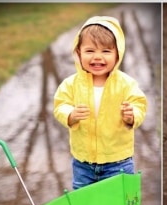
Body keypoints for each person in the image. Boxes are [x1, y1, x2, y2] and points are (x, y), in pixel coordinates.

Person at [53, 16, 147, 190]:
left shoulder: (126, 83)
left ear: (117, 53)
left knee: (117, 203)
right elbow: (60, 105)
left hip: (118, 162)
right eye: (90, 51)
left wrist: (131, 115)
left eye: (106, 51)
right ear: (78, 53)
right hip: (83, 163)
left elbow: (139, 104)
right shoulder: (71, 84)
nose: (97, 57)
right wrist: (70, 115)